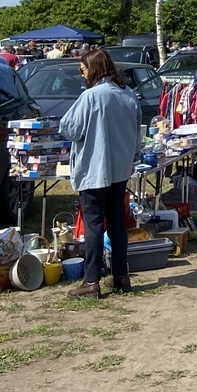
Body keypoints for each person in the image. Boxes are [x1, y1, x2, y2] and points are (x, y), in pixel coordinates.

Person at [59, 50, 142, 297]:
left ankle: (91, 281)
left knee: (93, 224)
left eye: (83, 67)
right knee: (116, 222)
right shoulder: (128, 94)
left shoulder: (92, 96)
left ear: (93, 68)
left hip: (97, 169)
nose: (80, 71)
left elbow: (68, 128)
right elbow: (137, 132)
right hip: (120, 169)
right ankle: (120, 276)